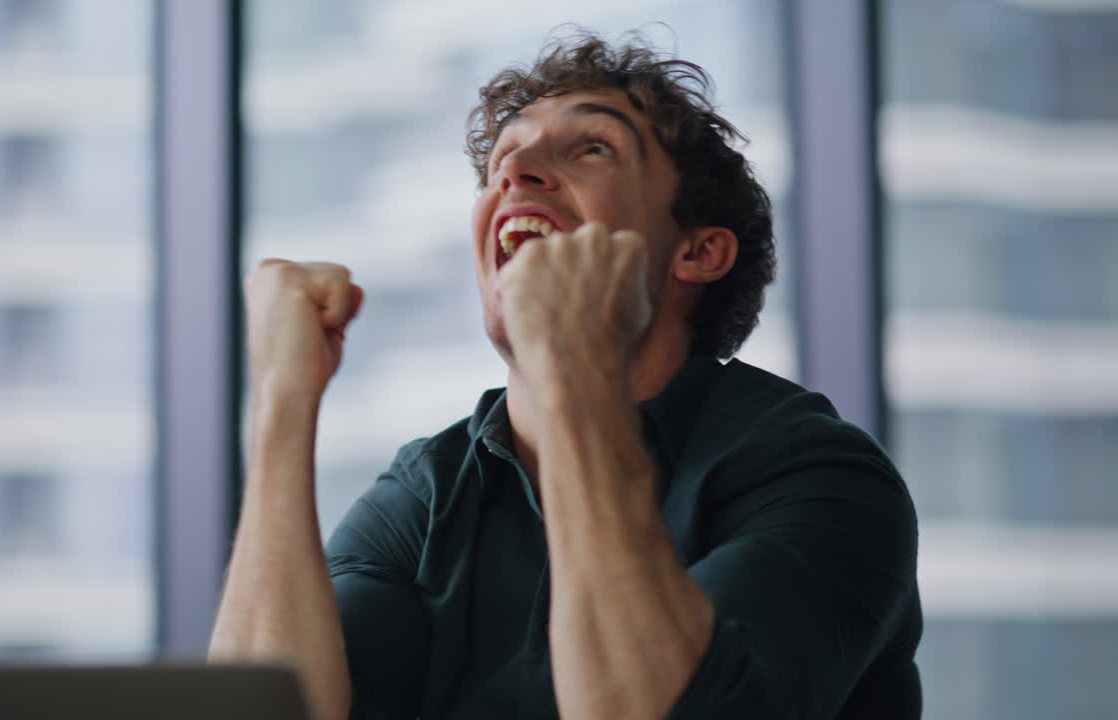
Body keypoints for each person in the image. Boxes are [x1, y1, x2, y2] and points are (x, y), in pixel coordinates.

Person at [209, 32, 922, 720]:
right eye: (504, 157)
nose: (516, 171)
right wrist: (281, 404)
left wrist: (576, 363)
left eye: (592, 149)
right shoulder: (428, 491)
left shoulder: (823, 478)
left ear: (698, 252)